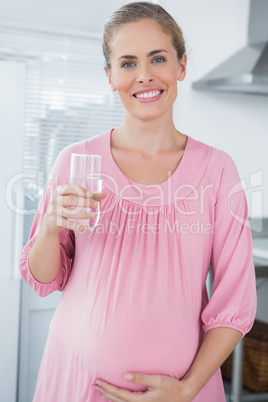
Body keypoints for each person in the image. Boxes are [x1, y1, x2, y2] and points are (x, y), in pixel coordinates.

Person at [19, 2, 257, 401]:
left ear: (181, 65)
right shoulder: (77, 162)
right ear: (110, 77)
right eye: (127, 63)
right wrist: (48, 227)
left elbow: (235, 303)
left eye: (158, 58)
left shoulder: (217, 170)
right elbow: (44, 280)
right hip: (76, 382)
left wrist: (186, 390)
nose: (144, 75)